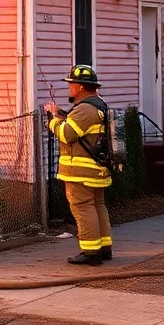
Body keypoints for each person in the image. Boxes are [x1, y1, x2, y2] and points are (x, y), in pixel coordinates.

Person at [44, 65, 113, 265]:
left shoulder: (84, 109)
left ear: (81, 87)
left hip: (81, 172)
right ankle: (103, 247)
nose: (70, 88)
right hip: (96, 169)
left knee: (83, 208)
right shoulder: (98, 105)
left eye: (71, 84)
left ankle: (90, 252)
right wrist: (61, 114)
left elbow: (67, 134)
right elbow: (78, 126)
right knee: (97, 206)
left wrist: (52, 121)